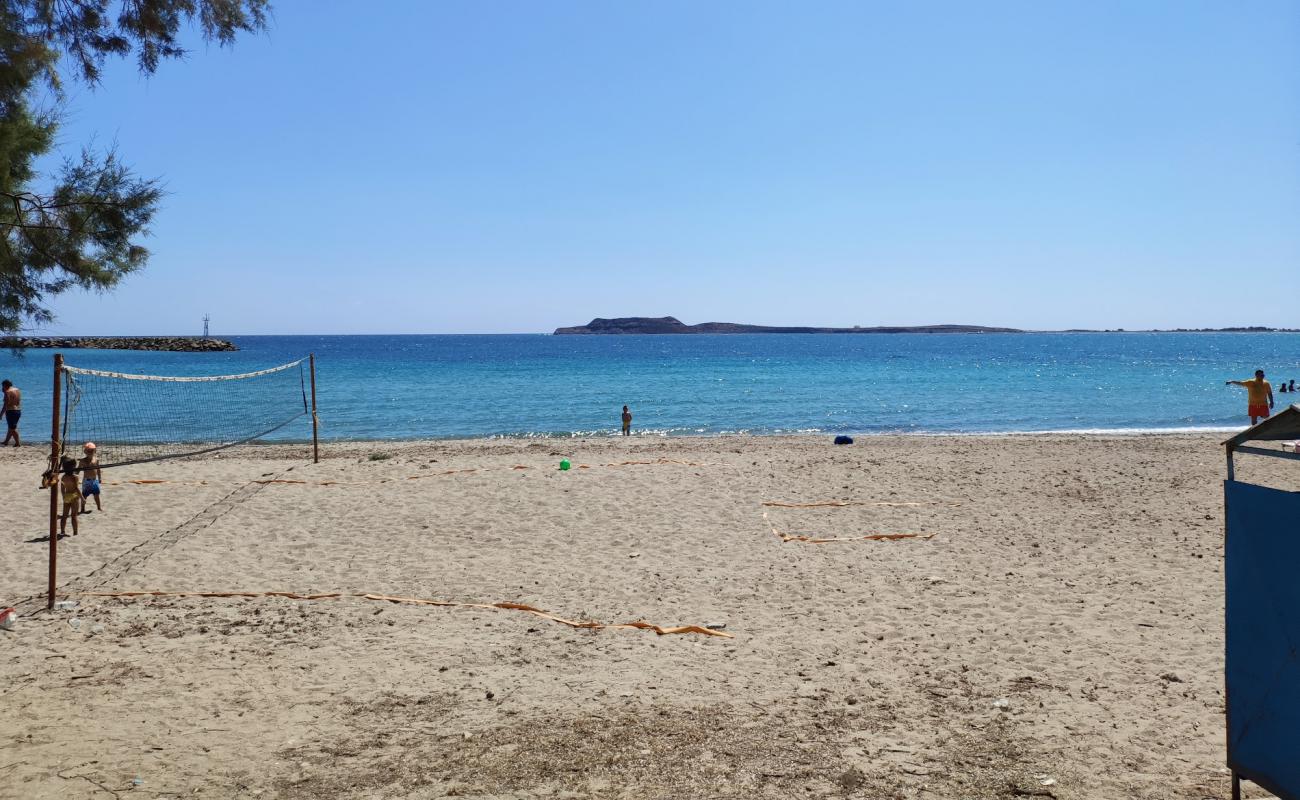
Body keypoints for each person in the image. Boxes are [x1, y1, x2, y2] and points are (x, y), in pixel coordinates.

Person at [42, 457, 81, 537]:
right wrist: (83, 498)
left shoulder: (63, 477)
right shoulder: (75, 477)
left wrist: (63, 496)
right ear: (73, 467)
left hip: (67, 496)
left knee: (64, 516)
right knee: (74, 516)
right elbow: (76, 488)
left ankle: (63, 531)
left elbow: (63, 488)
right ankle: (75, 532)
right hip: (74, 496)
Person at [79, 443, 102, 514]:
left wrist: (100, 478)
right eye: (88, 450)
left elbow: (98, 469)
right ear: (85, 451)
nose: (90, 452)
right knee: (84, 496)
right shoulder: (82, 461)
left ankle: (99, 507)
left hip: (95, 480)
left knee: (97, 495)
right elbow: (78, 470)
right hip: (86, 481)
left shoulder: (96, 460)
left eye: (92, 450)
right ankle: (82, 509)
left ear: (95, 451)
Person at [2, 379, 20, 447]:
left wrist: (1, 414)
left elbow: (5, 405)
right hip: (18, 410)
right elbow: (18, 401)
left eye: (2, 386)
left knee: (12, 429)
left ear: (5, 385)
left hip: (11, 411)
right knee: (11, 428)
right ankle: (6, 441)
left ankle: (18, 443)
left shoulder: (7, 392)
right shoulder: (17, 390)